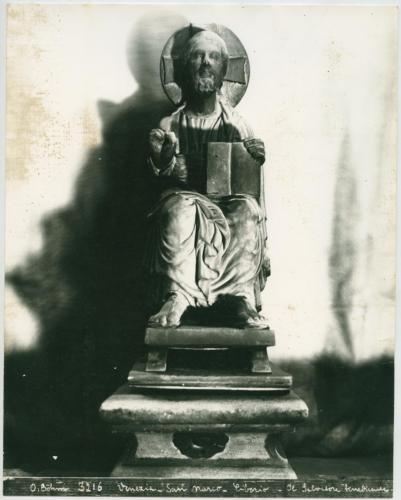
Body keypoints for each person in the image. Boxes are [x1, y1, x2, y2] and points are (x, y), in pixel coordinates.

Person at [145, 29, 269, 328]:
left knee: (246, 211)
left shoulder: (238, 125)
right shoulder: (171, 123)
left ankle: (239, 298)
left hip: (228, 202)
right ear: (185, 68)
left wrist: (253, 159)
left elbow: (253, 191)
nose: (205, 63)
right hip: (185, 201)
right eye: (198, 56)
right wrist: (164, 160)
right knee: (178, 210)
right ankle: (177, 296)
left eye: (213, 57)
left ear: (223, 70)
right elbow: (153, 187)